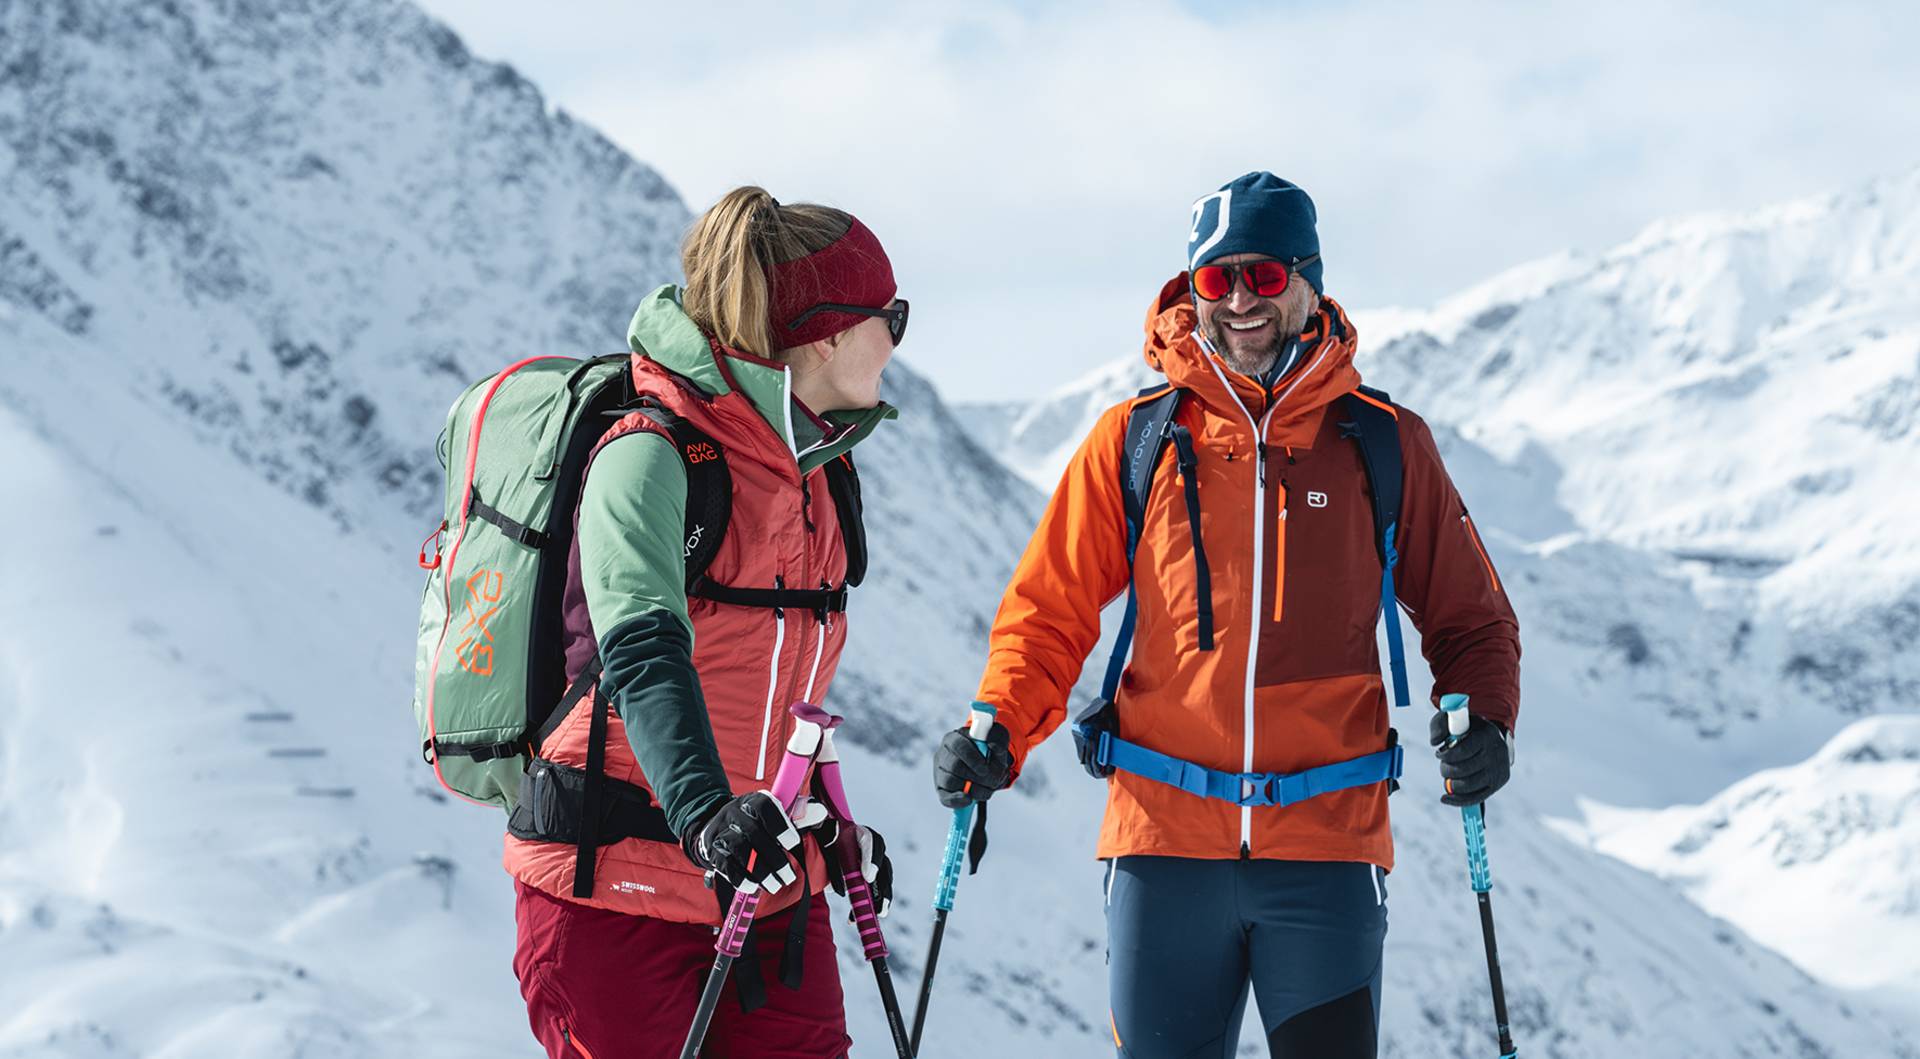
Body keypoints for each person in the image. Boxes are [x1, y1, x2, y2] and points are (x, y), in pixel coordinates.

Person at [934, 172, 1522, 1058]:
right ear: (1191, 291)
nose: (1241, 298)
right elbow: (1047, 613)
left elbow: (1470, 618)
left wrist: (1489, 720)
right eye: (1217, 279)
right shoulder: (1135, 440)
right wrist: (997, 728)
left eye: (1264, 275)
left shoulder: (1383, 442)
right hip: (1163, 845)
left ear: (1309, 281)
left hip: (1326, 848)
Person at [505, 187, 907, 1059]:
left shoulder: (820, 474)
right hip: (612, 882)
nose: (897, 340)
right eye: (892, 315)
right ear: (830, 332)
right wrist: (706, 816)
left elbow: (777, 686)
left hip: (761, 879)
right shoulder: (650, 456)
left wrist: (824, 821)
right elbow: (644, 652)